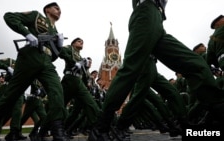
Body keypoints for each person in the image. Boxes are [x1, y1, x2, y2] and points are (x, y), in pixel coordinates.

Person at [88, 0, 224, 141]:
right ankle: (100, 128)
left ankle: (215, 116)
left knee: (196, 65)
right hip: (146, 12)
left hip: (157, 19)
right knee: (130, 69)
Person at [0, 2, 69, 141]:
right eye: (56, 8)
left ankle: (58, 130)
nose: (59, 10)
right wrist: (27, 34)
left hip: (46, 62)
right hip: (29, 57)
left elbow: (54, 56)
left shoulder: (55, 31)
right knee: (11, 96)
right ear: (47, 10)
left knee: (57, 90)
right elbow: (9, 16)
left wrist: (58, 45)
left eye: (60, 9)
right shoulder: (36, 16)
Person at [59, 38, 100, 137]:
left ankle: (97, 130)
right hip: (69, 79)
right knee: (59, 107)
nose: (81, 42)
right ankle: (44, 130)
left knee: (91, 104)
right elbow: (61, 52)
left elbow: (85, 77)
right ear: (73, 43)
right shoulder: (69, 48)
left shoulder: (80, 56)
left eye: (82, 42)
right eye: (79, 41)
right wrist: (73, 62)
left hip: (79, 83)